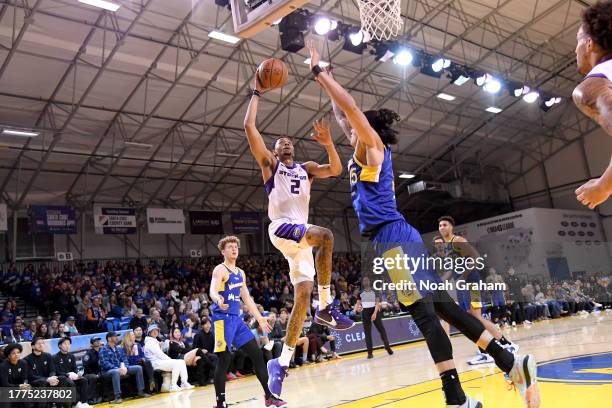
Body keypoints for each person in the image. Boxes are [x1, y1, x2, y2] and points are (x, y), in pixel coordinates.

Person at [308, 40, 540, 408]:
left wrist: (320, 75)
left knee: (423, 313)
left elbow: (350, 111)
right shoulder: (360, 151)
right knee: (445, 307)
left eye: (354, 127)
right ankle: (510, 361)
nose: (347, 129)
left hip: (393, 239)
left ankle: (456, 398)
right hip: (398, 237)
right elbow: (343, 114)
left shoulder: (374, 148)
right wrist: (331, 79)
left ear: (368, 129)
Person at [243, 69, 355, 396]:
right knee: (328, 236)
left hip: (299, 242)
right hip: (282, 229)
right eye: (281, 143)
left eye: (289, 142)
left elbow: (335, 168)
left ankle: (282, 362)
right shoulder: (270, 166)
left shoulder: (306, 170)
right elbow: (249, 127)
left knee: (301, 297)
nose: (286, 144)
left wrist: (329, 143)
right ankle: (327, 306)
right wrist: (256, 92)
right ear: (275, 152)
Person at [210, 236, 286, 408]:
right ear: (223, 251)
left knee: (257, 355)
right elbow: (213, 290)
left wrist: (259, 318)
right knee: (224, 359)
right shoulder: (220, 270)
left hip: (236, 321)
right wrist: (217, 299)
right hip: (222, 320)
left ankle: (269, 396)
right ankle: (220, 403)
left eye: (236, 246)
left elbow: (247, 299)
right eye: (230, 247)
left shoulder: (240, 273)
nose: (234, 249)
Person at [437, 216, 518, 365]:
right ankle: (497, 347)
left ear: (451, 227)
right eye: (440, 225)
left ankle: (503, 345)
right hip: (462, 284)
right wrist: (439, 283)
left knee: (475, 318)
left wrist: (463, 276)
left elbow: (476, 258)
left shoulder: (458, 241)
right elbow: (451, 270)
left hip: (471, 282)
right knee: (472, 318)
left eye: (444, 225)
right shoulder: (448, 246)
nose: (441, 227)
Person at [573, 0, 612, 209]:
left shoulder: (594, 85)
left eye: (578, 40)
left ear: (589, 44)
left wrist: (603, 186)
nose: (575, 50)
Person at [99, 331, 150, 404]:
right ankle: (117, 396)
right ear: (109, 339)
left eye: (117, 336)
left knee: (138, 368)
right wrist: (117, 368)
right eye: (115, 336)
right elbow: (105, 364)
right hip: (108, 372)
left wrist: (125, 367)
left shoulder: (118, 348)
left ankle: (140, 391)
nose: (117, 338)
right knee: (115, 372)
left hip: (121, 369)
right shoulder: (103, 349)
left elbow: (124, 359)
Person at [143, 325, 193, 392]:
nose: (155, 332)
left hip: (159, 362)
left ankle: (184, 382)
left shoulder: (155, 341)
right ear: (149, 333)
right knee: (176, 363)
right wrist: (170, 360)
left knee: (181, 361)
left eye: (156, 330)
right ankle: (173, 385)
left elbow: (160, 353)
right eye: (153, 331)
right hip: (155, 363)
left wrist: (161, 347)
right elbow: (160, 355)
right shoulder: (150, 342)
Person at [53, 337, 95, 408]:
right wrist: (67, 374)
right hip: (63, 378)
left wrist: (78, 373)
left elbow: (75, 368)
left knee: (83, 380)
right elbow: (56, 371)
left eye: (69, 344)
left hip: (73, 376)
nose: (67, 346)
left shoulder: (71, 356)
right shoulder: (55, 357)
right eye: (65, 344)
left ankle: (84, 402)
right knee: (70, 382)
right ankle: (76, 403)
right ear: (60, 346)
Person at [360, 276, 393, 359]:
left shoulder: (375, 291)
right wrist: (358, 307)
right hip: (365, 313)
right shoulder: (361, 293)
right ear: (363, 283)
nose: (365, 282)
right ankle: (369, 353)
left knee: (382, 330)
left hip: (375, 311)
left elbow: (377, 304)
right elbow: (359, 303)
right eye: (364, 280)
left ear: (369, 282)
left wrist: (374, 313)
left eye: (367, 280)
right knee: (367, 334)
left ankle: (387, 347)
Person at [0, 343, 31, 408]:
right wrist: (19, 386)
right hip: (7, 389)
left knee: (27, 391)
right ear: (8, 355)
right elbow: (5, 384)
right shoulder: (3, 366)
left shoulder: (23, 363)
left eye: (18, 352)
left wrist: (25, 384)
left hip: (20, 387)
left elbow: (25, 378)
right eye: (13, 353)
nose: (16, 355)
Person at [192, 317, 217, 384]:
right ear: (202, 325)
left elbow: (214, 347)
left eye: (209, 324)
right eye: (206, 324)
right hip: (201, 355)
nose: (208, 325)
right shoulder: (198, 335)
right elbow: (194, 348)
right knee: (214, 358)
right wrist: (201, 350)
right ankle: (211, 378)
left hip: (210, 354)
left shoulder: (212, 335)